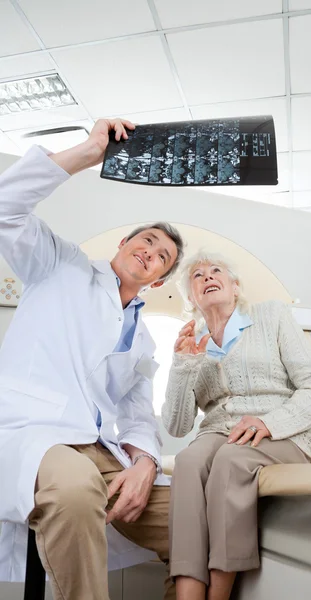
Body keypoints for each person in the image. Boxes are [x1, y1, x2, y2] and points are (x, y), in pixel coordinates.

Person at [0, 118, 184, 600]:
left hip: (102, 451)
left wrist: (145, 462)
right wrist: (87, 152)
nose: (150, 252)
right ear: (122, 244)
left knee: (198, 516)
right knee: (76, 489)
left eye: (162, 255)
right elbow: (4, 206)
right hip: (35, 433)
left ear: (159, 281)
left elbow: (138, 414)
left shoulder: (143, 340)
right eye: (145, 240)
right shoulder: (59, 264)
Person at [162, 251, 311, 600]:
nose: (207, 276)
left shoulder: (271, 315)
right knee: (188, 462)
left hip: (285, 431)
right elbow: (177, 426)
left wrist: (270, 422)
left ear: (235, 287)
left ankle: (218, 595)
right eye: (197, 275)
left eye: (216, 271)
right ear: (192, 298)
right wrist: (183, 364)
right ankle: (187, 595)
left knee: (230, 458)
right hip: (219, 431)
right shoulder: (193, 340)